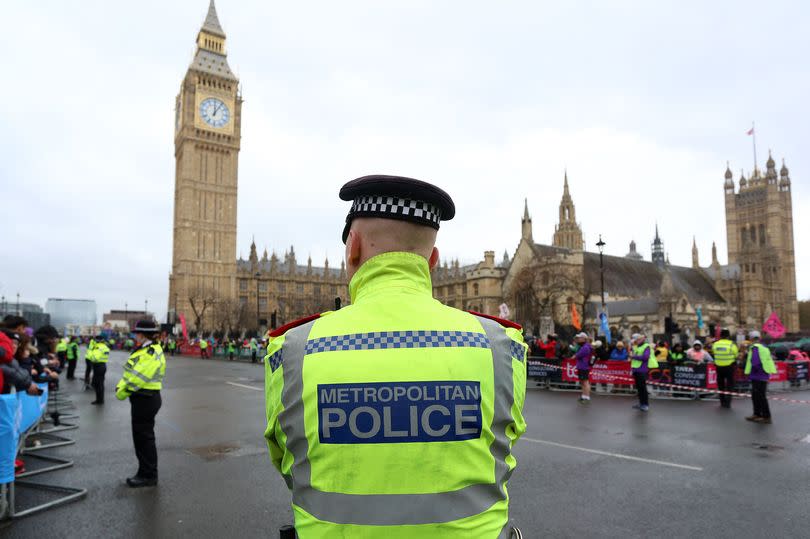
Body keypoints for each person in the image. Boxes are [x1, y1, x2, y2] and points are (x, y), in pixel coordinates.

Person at [264, 175, 527, 537]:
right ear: (433, 260)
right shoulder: (502, 346)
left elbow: (288, 461)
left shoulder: (293, 350)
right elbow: (503, 449)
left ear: (352, 247)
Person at [116, 320, 166, 487]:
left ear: (143, 334)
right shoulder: (145, 350)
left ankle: (149, 475)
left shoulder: (150, 352)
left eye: (137, 332)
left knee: (144, 439)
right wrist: (122, 386)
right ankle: (144, 471)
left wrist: (122, 391)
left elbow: (139, 378)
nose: (135, 335)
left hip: (145, 398)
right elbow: (130, 373)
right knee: (141, 438)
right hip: (143, 397)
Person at [744, 331, 775, 424]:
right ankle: (757, 414)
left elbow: (756, 362)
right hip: (762, 374)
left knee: (760, 396)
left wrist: (752, 372)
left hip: (758, 375)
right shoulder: (764, 347)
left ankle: (766, 416)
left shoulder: (755, 348)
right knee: (756, 396)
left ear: (752, 339)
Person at [712, 329, 739, 409]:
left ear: (720, 335)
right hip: (729, 367)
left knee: (721, 385)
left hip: (718, 367)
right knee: (730, 385)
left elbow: (714, 353)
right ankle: (728, 403)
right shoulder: (732, 344)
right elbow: (736, 354)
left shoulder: (715, 344)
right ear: (728, 336)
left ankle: (722, 402)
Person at [630, 333, 658, 411]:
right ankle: (641, 403)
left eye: (638, 339)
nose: (636, 341)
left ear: (642, 339)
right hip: (635, 369)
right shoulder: (636, 347)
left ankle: (645, 405)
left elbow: (645, 357)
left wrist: (634, 357)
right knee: (639, 388)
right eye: (636, 340)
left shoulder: (646, 346)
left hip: (642, 369)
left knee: (643, 388)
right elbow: (634, 355)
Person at [89, 335, 110, 404]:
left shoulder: (98, 347)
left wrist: (91, 354)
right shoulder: (105, 347)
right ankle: (100, 399)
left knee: (98, 384)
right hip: (103, 366)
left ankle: (99, 400)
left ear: (97, 340)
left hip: (98, 366)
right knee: (100, 383)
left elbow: (95, 358)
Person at [574, 332, 593, 403]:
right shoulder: (583, 346)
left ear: (584, 339)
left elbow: (578, 355)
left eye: (579, 338)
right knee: (582, 382)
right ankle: (584, 396)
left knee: (585, 382)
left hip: (584, 366)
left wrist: (576, 355)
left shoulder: (586, 347)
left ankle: (587, 397)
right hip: (581, 366)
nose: (578, 339)